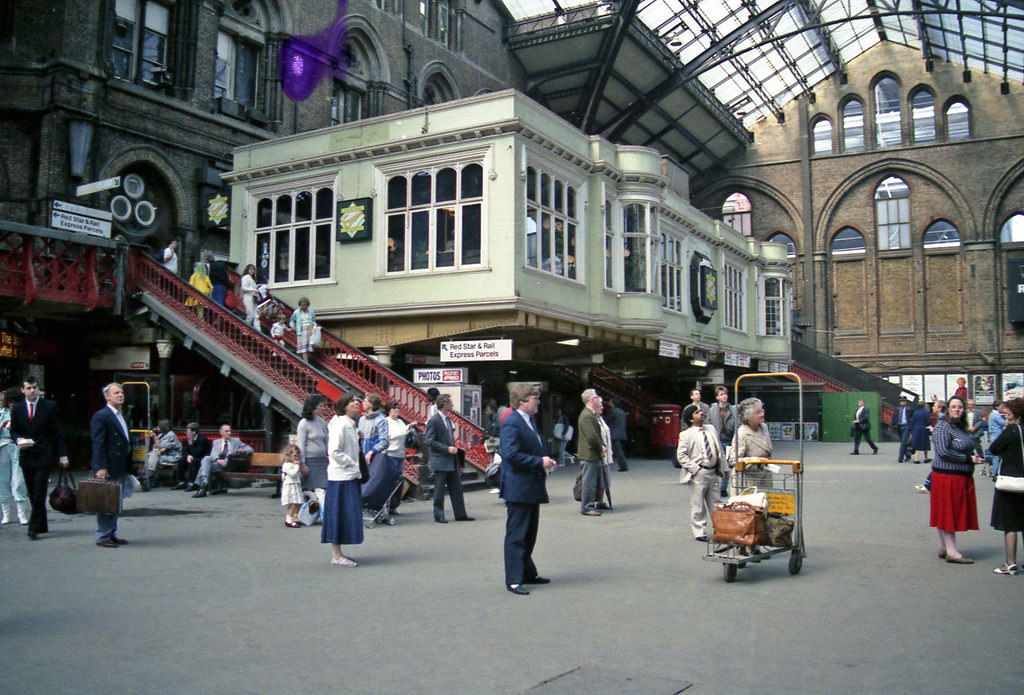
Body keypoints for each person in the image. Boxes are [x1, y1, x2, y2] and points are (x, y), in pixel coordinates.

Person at [499, 383, 557, 595]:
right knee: (517, 534)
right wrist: (539, 462)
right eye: (535, 398)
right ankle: (514, 579)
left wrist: (545, 460)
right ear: (522, 401)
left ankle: (527, 572)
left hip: (529, 486)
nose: (538, 401)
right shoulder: (512, 422)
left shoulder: (528, 421)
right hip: (518, 487)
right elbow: (510, 454)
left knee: (529, 533)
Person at [10, 375, 68, 540]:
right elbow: (14, 430)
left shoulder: (49, 406)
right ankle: (42, 523)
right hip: (26, 455)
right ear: (23, 390)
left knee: (39, 492)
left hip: (44, 454)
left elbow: (57, 432)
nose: (32, 391)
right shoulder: (18, 408)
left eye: (34, 387)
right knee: (32, 492)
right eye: (28, 388)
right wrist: (18, 439)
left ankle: (33, 528)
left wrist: (63, 455)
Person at [929, 395, 983, 564]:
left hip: (960, 476)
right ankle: (952, 552)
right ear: (947, 409)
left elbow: (967, 446)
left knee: (946, 512)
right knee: (947, 513)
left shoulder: (961, 427)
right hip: (947, 476)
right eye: (953, 406)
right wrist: (967, 459)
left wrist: (973, 457)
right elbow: (943, 452)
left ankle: (945, 547)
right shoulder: (942, 427)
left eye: (960, 407)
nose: (957, 409)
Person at [89, 383, 133, 547]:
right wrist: (100, 466)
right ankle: (103, 536)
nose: (120, 395)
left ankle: (111, 533)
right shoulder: (101, 416)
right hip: (108, 465)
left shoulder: (121, 415)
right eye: (116, 393)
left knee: (115, 501)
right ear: (107, 397)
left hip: (121, 464)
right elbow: (98, 443)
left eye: (121, 392)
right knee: (106, 501)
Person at [323, 394, 364, 567]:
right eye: (352, 401)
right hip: (341, 476)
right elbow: (334, 450)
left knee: (345, 514)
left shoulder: (349, 424)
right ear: (344, 405)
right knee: (339, 514)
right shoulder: (340, 424)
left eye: (357, 400)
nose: (356, 403)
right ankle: (336, 554)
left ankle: (338, 553)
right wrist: (350, 462)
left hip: (348, 475)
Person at [676, 403, 726, 542]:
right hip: (699, 472)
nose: (701, 413)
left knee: (716, 503)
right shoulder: (686, 435)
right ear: (691, 419)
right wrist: (695, 468)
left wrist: (724, 468)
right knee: (698, 504)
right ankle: (699, 531)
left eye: (701, 411)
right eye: (697, 412)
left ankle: (720, 529)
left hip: (713, 470)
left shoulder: (710, 429)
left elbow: (719, 449)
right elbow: (681, 456)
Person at [988, 397, 1024, 575]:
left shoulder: (1010, 431)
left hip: (1010, 482)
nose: (1006, 417)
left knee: (1010, 523)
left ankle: (1010, 562)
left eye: (1008, 414)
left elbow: (994, 448)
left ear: (1016, 415)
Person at [425, 394, 474, 523]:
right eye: (450, 403)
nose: (452, 405)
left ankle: (460, 514)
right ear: (444, 404)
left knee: (457, 488)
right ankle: (439, 515)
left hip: (451, 459)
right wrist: (446, 449)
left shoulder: (448, 419)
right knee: (439, 489)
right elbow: (429, 441)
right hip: (441, 460)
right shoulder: (434, 420)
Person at [192, 424, 253, 497]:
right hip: (218, 465)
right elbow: (213, 454)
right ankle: (205, 482)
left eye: (230, 431)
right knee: (206, 459)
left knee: (204, 467)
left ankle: (202, 486)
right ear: (221, 432)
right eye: (226, 431)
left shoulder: (236, 441)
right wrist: (218, 459)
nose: (229, 433)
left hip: (229, 465)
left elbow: (250, 449)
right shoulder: (216, 442)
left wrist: (243, 450)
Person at [728, 397, 773, 494]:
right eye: (758, 412)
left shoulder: (764, 427)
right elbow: (733, 460)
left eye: (762, 410)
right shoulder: (742, 434)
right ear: (748, 417)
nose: (762, 414)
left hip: (765, 479)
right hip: (748, 484)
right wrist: (754, 460)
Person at [0, 388, 29, 525]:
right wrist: (3, 425)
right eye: (10, 402)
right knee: (2, 481)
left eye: (14, 402)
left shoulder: (23, 412)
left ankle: (21, 514)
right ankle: (5, 514)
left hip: (18, 446)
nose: (12, 404)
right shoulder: (2, 413)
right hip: (2, 446)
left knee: (19, 481)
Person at [576, 389, 606, 516]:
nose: (599, 399)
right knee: (589, 481)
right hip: (589, 454)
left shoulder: (588, 414)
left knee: (592, 480)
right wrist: (600, 448)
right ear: (592, 400)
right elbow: (592, 436)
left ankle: (590, 504)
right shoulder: (587, 416)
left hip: (590, 454)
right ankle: (587, 506)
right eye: (597, 397)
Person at [706, 385, 737, 494]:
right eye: (721, 394)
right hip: (716, 440)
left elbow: (737, 424)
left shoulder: (733, 410)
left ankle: (723, 488)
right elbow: (708, 424)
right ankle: (715, 487)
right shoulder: (712, 410)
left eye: (725, 394)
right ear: (717, 397)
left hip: (729, 441)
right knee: (715, 464)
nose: (724, 396)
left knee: (726, 465)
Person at [297, 394, 330, 495]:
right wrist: (302, 463)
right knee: (310, 489)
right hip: (310, 460)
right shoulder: (304, 423)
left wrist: (329, 455)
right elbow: (301, 445)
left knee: (323, 488)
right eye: (320, 406)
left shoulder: (321, 422)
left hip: (322, 460)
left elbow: (327, 440)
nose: (322, 408)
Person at [148, 419, 182, 488]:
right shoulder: (161, 435)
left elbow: (160, 447)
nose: (157, 428)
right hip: (164, 455)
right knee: (150, 455)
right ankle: (152, 476)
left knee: (154, 456)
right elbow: (156, 447)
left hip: (173, 456)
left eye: (159, 426)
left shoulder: (171, 435)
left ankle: (151, 476)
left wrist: (155, 437)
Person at [176, 423, 210, 490]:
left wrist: (191, 444)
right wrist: (188, 456)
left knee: (194, 462)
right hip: (191, 457)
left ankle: (192, 483)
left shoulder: (202, 439)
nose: (186, 433)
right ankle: (181, 482)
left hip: (202, 458)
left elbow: (198, 453)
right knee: (181, 460)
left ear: (194, 432)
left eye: (188, 431)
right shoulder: (187, 439)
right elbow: (184, 451)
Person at [280, 443, 303, 528]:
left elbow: (298, 475)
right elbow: (293, 474)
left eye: (297, 456)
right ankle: (288, 520)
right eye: (294, 456)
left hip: (295, 485)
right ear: (288, 456)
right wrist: (297, 466)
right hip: (290, 486)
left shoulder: (293, 464)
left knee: (298, 503)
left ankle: (295, 519)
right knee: (292, 503)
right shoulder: (287, 465)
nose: (296, 457)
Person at [605, 397, 629, 472]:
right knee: (619, 450)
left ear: (613, 403)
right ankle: (623, 465)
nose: (609, 403)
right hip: (621, 432)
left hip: (614, 433)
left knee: (618, 451)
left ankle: (623, 466)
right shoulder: (622, 412)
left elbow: (607, 421)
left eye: (610, 402)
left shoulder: (612, 411)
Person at [289, 297, 316, 362]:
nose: (304, 306)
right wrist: (292, 326)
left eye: (306, 305)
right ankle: (306, 363)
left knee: (309, 347)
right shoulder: (297, 312)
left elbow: (313, 320)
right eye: (303, 305)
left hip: (309, 329)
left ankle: (305, 362)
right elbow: (292, 320)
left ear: (308, 305)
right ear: (300, 305)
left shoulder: (311, 312)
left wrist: (313, 326)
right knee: (302, 348)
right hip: (301, 330)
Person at [987, 400, 1008, 478]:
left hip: (995, 435)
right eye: (1002, 407)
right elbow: (1004, 423)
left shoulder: (993, 414)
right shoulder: (995, 415)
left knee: (997, 456)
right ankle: (995, 473)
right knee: (997, 456)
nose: (1003, 408)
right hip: (997, 436)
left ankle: (996, 472)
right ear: (996, 407)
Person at [909, 401, 932, 466]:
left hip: (916, 429)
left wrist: (911, 429)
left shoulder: (915, 412)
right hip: (924, 428)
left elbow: (912, 421)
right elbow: (928, 421)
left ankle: (916, 458)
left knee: (917, 443)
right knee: (925, 443)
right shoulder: (926, 412)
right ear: (924, 405)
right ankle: (926, 458)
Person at [891, 396, 914, 462]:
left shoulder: (909, 409)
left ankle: (900, 457)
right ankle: (907, 455)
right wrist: (891, 425)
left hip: (906, 427)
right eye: (901, 401)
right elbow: (894, 418)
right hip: (899, 426)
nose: (902, 402)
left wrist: (911, 426)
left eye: (903, 401)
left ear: (906, 402)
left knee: (903, 442)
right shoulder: (897, 409)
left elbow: (912, 418)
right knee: (903, 442)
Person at [240, 263, 259, 329]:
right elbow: (244, 287)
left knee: (256, 315)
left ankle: (258, 330)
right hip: (247, 297)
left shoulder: (252, 278)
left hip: (253, 297)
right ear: (247, 270)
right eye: (250, 269)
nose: (252, 271)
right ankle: (245, 329)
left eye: (253, 269)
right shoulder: (246, 277)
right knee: (250, 315)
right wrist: (253, 290)